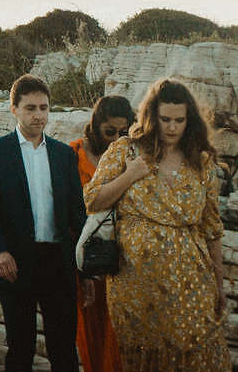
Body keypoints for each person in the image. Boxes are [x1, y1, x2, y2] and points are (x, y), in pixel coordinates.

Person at [82, 79, 230, 372]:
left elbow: (212, 228)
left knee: (200, 353)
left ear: (190, 121)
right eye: (165, 119)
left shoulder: (201, 162)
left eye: (179, 120)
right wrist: (131, 175)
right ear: (151, 116)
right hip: (136, 284)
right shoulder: (126, 151)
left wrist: (220, 283)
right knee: (145, 359)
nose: (172, 127)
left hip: (192, 282)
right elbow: (93, 200)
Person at [0, 73, 86, 372]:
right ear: (14, 109)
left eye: (44, 108)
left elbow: (78, 212)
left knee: (63, 349)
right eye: (30, 108)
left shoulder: (64, 155)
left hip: (57, 262)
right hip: (14, 261)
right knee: (20, 347)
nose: (39, 115)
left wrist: (85, 262)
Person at [71, 95, 134, 372]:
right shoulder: (73, 154)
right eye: (109, 132)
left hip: (123, 260)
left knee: (119, 334)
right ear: (95, 126)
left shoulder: (134, 156)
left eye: (123, 133)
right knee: (91, 333)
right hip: (86, 255)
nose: (115, 140)